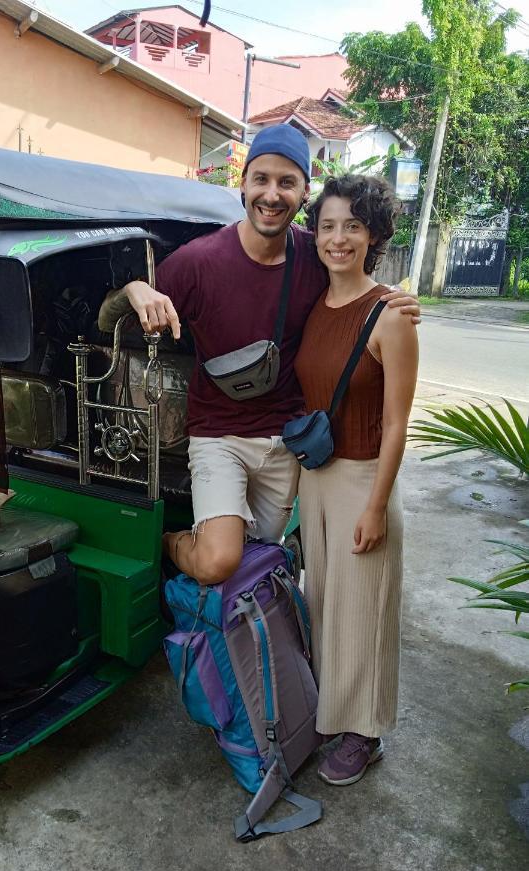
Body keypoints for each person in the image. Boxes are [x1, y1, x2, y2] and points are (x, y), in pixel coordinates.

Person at [100, 124, 420, 585]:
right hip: (218, 434)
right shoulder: (197, 262)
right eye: (262, 179)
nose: (272, 195)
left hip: (287, 439)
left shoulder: (317, 254)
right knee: (219, 561)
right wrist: (134, 289)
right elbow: (105, 320)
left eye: (286, 182)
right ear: (243, 184)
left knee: (259, 561)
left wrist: (396, 300)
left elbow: (356, 290)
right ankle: (172, 541)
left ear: (304, 193)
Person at [293, 174, 418, 786]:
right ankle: (332, 713)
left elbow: (396, 425)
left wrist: (376, 505)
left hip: (365, 477)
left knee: (364, 611)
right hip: (316, 477)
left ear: (374, 236)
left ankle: (365, 733)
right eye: (328, 225)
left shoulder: (391, 315)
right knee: (325, 605)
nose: (338, 238)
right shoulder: (317, 302)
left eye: (353, 226)